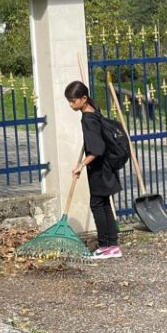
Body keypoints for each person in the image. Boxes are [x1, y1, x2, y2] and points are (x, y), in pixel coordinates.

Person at [64, 81, 122, 260]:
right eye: (69, 101)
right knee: (104, 205)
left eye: (73, 101)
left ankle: (105, 246)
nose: (70, 105)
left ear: (83, 99)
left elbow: (97, 148)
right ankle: (113, 246)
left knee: (97, 205)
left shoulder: (88, 119)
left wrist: (81, 165)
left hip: (99, 169)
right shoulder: (94, 113)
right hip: (106, 167)